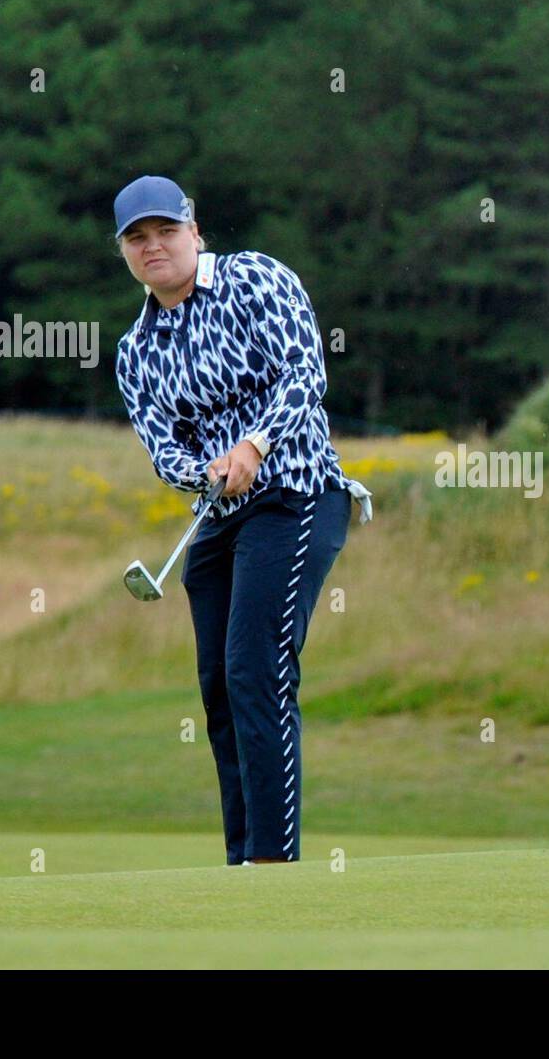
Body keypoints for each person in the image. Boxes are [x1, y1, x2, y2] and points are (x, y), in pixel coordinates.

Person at [112, 175, 373, 865]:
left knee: (254, 668)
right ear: (125, 254)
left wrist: (254, 444)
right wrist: (205, 470)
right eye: (138, 239)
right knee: (220, 690)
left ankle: (272, 862)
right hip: (219, 517)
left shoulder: (258, 279)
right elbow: (163, 447)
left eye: (166, 231)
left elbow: (303, 371)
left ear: (194, 231)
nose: (154, 246)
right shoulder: (135, 352)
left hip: (297, 494)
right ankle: (242, 861)